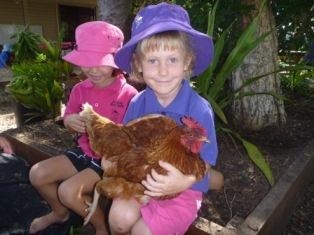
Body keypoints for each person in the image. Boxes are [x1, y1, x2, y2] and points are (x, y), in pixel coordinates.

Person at [109, 3, 223, 235]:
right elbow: (125, 142)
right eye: (152, 61)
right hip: (141, 177)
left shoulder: (199, 109)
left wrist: (184, 182)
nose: (163, 71)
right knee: (119, 219)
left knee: (143, 232)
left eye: (172, 59)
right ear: (139, 65)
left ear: (188, 62)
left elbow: (206, 160)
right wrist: (114, 159)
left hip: (182, 189)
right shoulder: (137, 103)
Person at [28, 21, 138, 235]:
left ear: (116, 61)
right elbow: (69, 117)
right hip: (83, 151)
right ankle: (60, 213)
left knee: (68, 191)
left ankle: (101, 226)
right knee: (37, 174)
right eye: (86, 61)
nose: (93, 69)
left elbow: (131, 142)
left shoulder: (129, 95)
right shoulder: (80, 89)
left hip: (108, 162)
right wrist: (69, 121)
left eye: (100, 62)